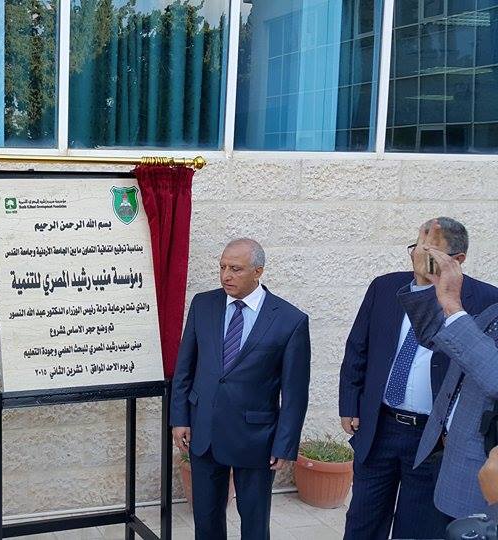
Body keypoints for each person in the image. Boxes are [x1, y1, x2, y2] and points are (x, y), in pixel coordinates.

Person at [339, 217, 498, 539]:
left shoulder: (486, 300)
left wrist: (448, 299)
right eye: (417, 248)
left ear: (458, 260)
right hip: (380, 425)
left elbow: (480, 364)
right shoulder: (386, 287)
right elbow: (359, 346)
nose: (419, 257)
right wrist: (350, 403)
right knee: (363, 520)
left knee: (415, 526)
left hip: (432, 438)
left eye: (431, 253)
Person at [170, 238, 310, 540]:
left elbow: (295, 393)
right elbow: (185, 368)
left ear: (258, 271)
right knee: (206, 521)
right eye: (222, 267)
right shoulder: (203, 305)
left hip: (256, 438)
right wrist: (180, 418)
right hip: (204, 430)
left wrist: (285, 444)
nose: (226, 276)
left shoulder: (290, 320)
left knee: (255, 523)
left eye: (235, 269)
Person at [398, 220, 498, 521]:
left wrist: (453, 306)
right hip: (446, 454)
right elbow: (437, 336)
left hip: (481, 473)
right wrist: (423, 282)